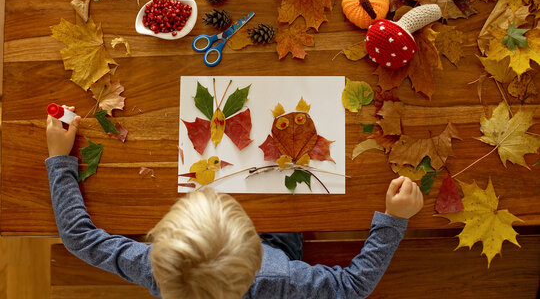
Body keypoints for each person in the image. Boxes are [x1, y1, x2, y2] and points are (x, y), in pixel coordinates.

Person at [46, 107, 424, 299]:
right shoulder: (280, 280)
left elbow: (79, 239)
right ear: (253, 260)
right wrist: (393, 222)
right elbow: (352, 288)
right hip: (281, 243)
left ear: (160, 246)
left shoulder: (158, 270)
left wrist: (60, 160)